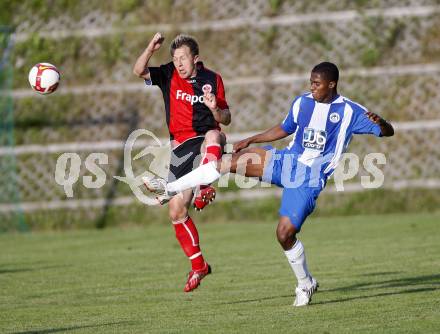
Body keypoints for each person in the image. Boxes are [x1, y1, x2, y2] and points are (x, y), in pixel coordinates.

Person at [143, 62, 394, 305]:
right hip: (286, 161)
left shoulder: (350, 111)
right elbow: (284, 129)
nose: (312, 87)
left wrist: (382, 123)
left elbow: (387, 131)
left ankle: (305, 283)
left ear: (332, 84)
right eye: (311, 82)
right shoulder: (303, 102)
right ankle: (170, 189)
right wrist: (251, 139)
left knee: (284, 234)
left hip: (308, 178)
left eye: (317, 84)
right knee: (227, 162)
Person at [133, 33, 231, 292]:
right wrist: (150, 48)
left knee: (214, 134)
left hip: (206, 141)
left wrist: (214, 109)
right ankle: (199, 266)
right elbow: (138, 70)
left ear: (195, 59)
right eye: (175, 58)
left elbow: (226, 117)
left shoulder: (213, 79)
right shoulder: (168, 74)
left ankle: (206, 185)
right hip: (181, 148)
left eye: (183, 58)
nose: (178, 63)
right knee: (176, 212)